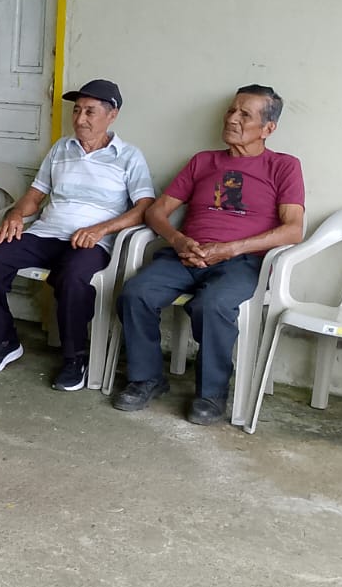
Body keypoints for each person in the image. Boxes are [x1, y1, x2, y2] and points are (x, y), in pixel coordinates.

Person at [112, 85, 304, 424]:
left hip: (242, 262)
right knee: (136, 293)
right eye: (231, 111)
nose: (232, 119)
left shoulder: (283, 166)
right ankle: (146, 379)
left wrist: (229, 249)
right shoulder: (203, 161)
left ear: (268, 128)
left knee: (212, 305)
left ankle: (211, 394)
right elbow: (156, 212)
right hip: (186, 255)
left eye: (245, 115)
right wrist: (178, 241)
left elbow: (293, 230)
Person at [0, 79, 155, 390]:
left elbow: (144, 208)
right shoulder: (61, 149)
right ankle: (3, 341)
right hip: (46, 233)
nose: (80, 119)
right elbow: (35, 196)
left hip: (90, 242)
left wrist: (101, 229)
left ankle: (74, 357)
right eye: (77, 110)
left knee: (73, 277)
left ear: (112, 115)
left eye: (90, 112)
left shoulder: (129, 156)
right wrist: (16, 214)